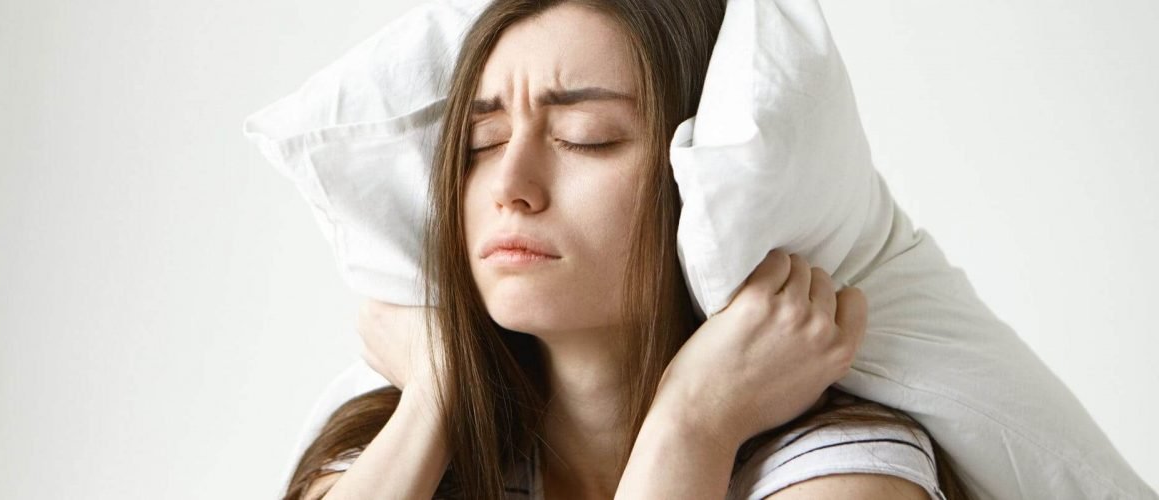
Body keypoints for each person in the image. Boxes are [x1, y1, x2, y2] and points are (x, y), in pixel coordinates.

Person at [284, 1, 971, 498]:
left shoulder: (842, 476)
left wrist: (694, 422)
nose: (510, 187)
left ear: (694, 179)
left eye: (586, 136)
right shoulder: (395, 452)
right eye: (480, 145)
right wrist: (438, 397)